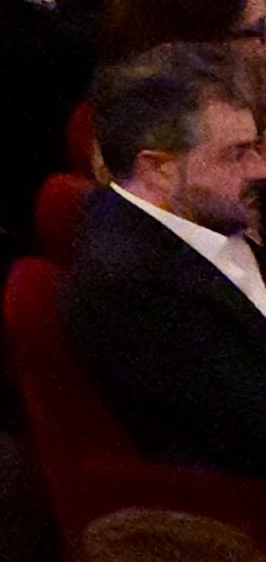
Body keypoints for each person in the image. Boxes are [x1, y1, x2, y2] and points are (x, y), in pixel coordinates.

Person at [66, 43, 266, 474]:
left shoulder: (205, 215)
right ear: (158, 168)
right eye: (237, 153)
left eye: (256, 147)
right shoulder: (136, 288)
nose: (258, 169)